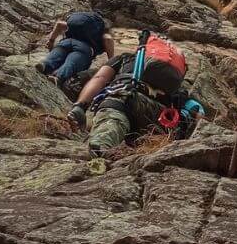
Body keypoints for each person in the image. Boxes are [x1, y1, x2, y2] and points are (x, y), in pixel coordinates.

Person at [68, 44, 203, 160]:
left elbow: (99, 78)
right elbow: (197, 112)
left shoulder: (125, 58)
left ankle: (100, 147)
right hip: (158, 121)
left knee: (114, 118)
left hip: (123, 99)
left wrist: (80, 106)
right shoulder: (177, 85)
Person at [36, 9, 114, 85]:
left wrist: (51, 40)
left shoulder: (82, 19)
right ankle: (58, 77)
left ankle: (44, 64)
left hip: (65, 42)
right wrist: (111, 61)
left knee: (55, 57)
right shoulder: (101, 27)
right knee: (71, 63)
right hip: (84, 48)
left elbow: (59, 24)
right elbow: (108, 39)